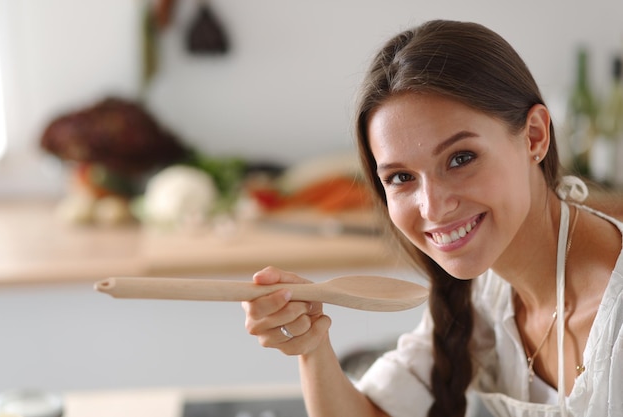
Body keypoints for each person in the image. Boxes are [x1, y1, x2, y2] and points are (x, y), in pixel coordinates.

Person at [242, 20, 623, 417]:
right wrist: (312, 347)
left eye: (460, 159)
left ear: (534, 137)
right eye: (401, 177)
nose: (433, 207)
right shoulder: (482, 293)